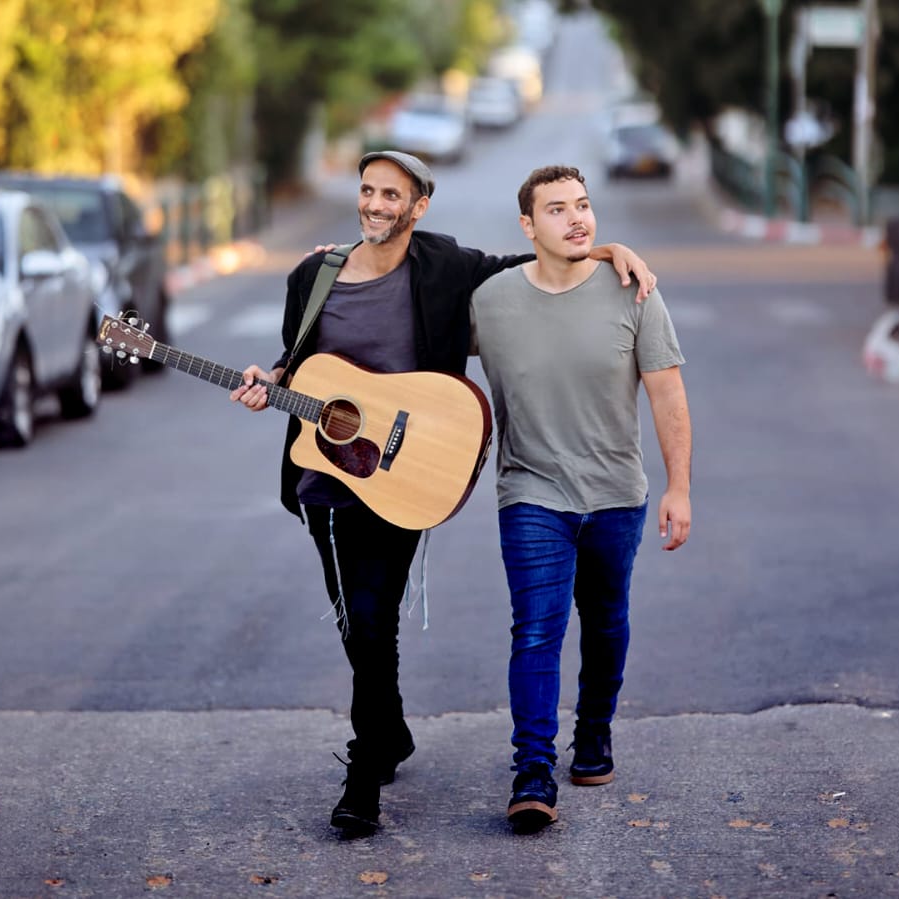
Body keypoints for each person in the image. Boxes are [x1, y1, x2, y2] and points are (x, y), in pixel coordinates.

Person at [228, 150, 657, 837]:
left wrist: (605, 248)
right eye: (366, 191)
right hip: (325, 479)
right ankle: (386, 732)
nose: (373, 204)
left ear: (417, 205)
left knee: (375, 619)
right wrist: (266, 382)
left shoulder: (445, 266)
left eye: (389, 195)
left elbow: (532, 266)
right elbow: (295, 362)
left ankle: (363, 776)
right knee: (358, 623)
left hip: (404, 473)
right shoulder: (313, 273)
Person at [470, 165, 692, 834]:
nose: (577, 219)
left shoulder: (633, 290)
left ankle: (593, 736)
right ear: (527, 225)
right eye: (557, 208)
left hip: (615, 494)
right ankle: (532, 771)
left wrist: (679, 486)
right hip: (530, 488)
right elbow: (418, 359)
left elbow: (667, 394)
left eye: (584, 206)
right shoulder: (488, 301)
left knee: (605, 621)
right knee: (536, 628)